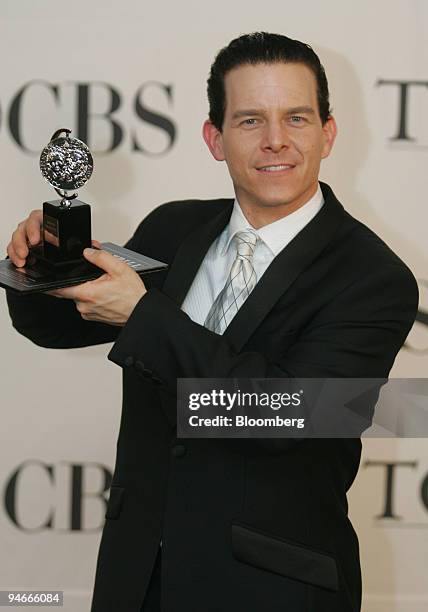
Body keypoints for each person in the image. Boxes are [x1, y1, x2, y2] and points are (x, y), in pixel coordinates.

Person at [6, 32, 418, 612]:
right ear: (214, 138)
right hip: (138, 576)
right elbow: (57, 327)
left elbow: (286, 416)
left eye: (296, 118)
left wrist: (144, 316)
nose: (276, 141)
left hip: (271, 588)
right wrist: (38, 263)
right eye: (250, 120)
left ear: (328, 132)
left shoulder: (374, 278)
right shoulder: (174, 229)